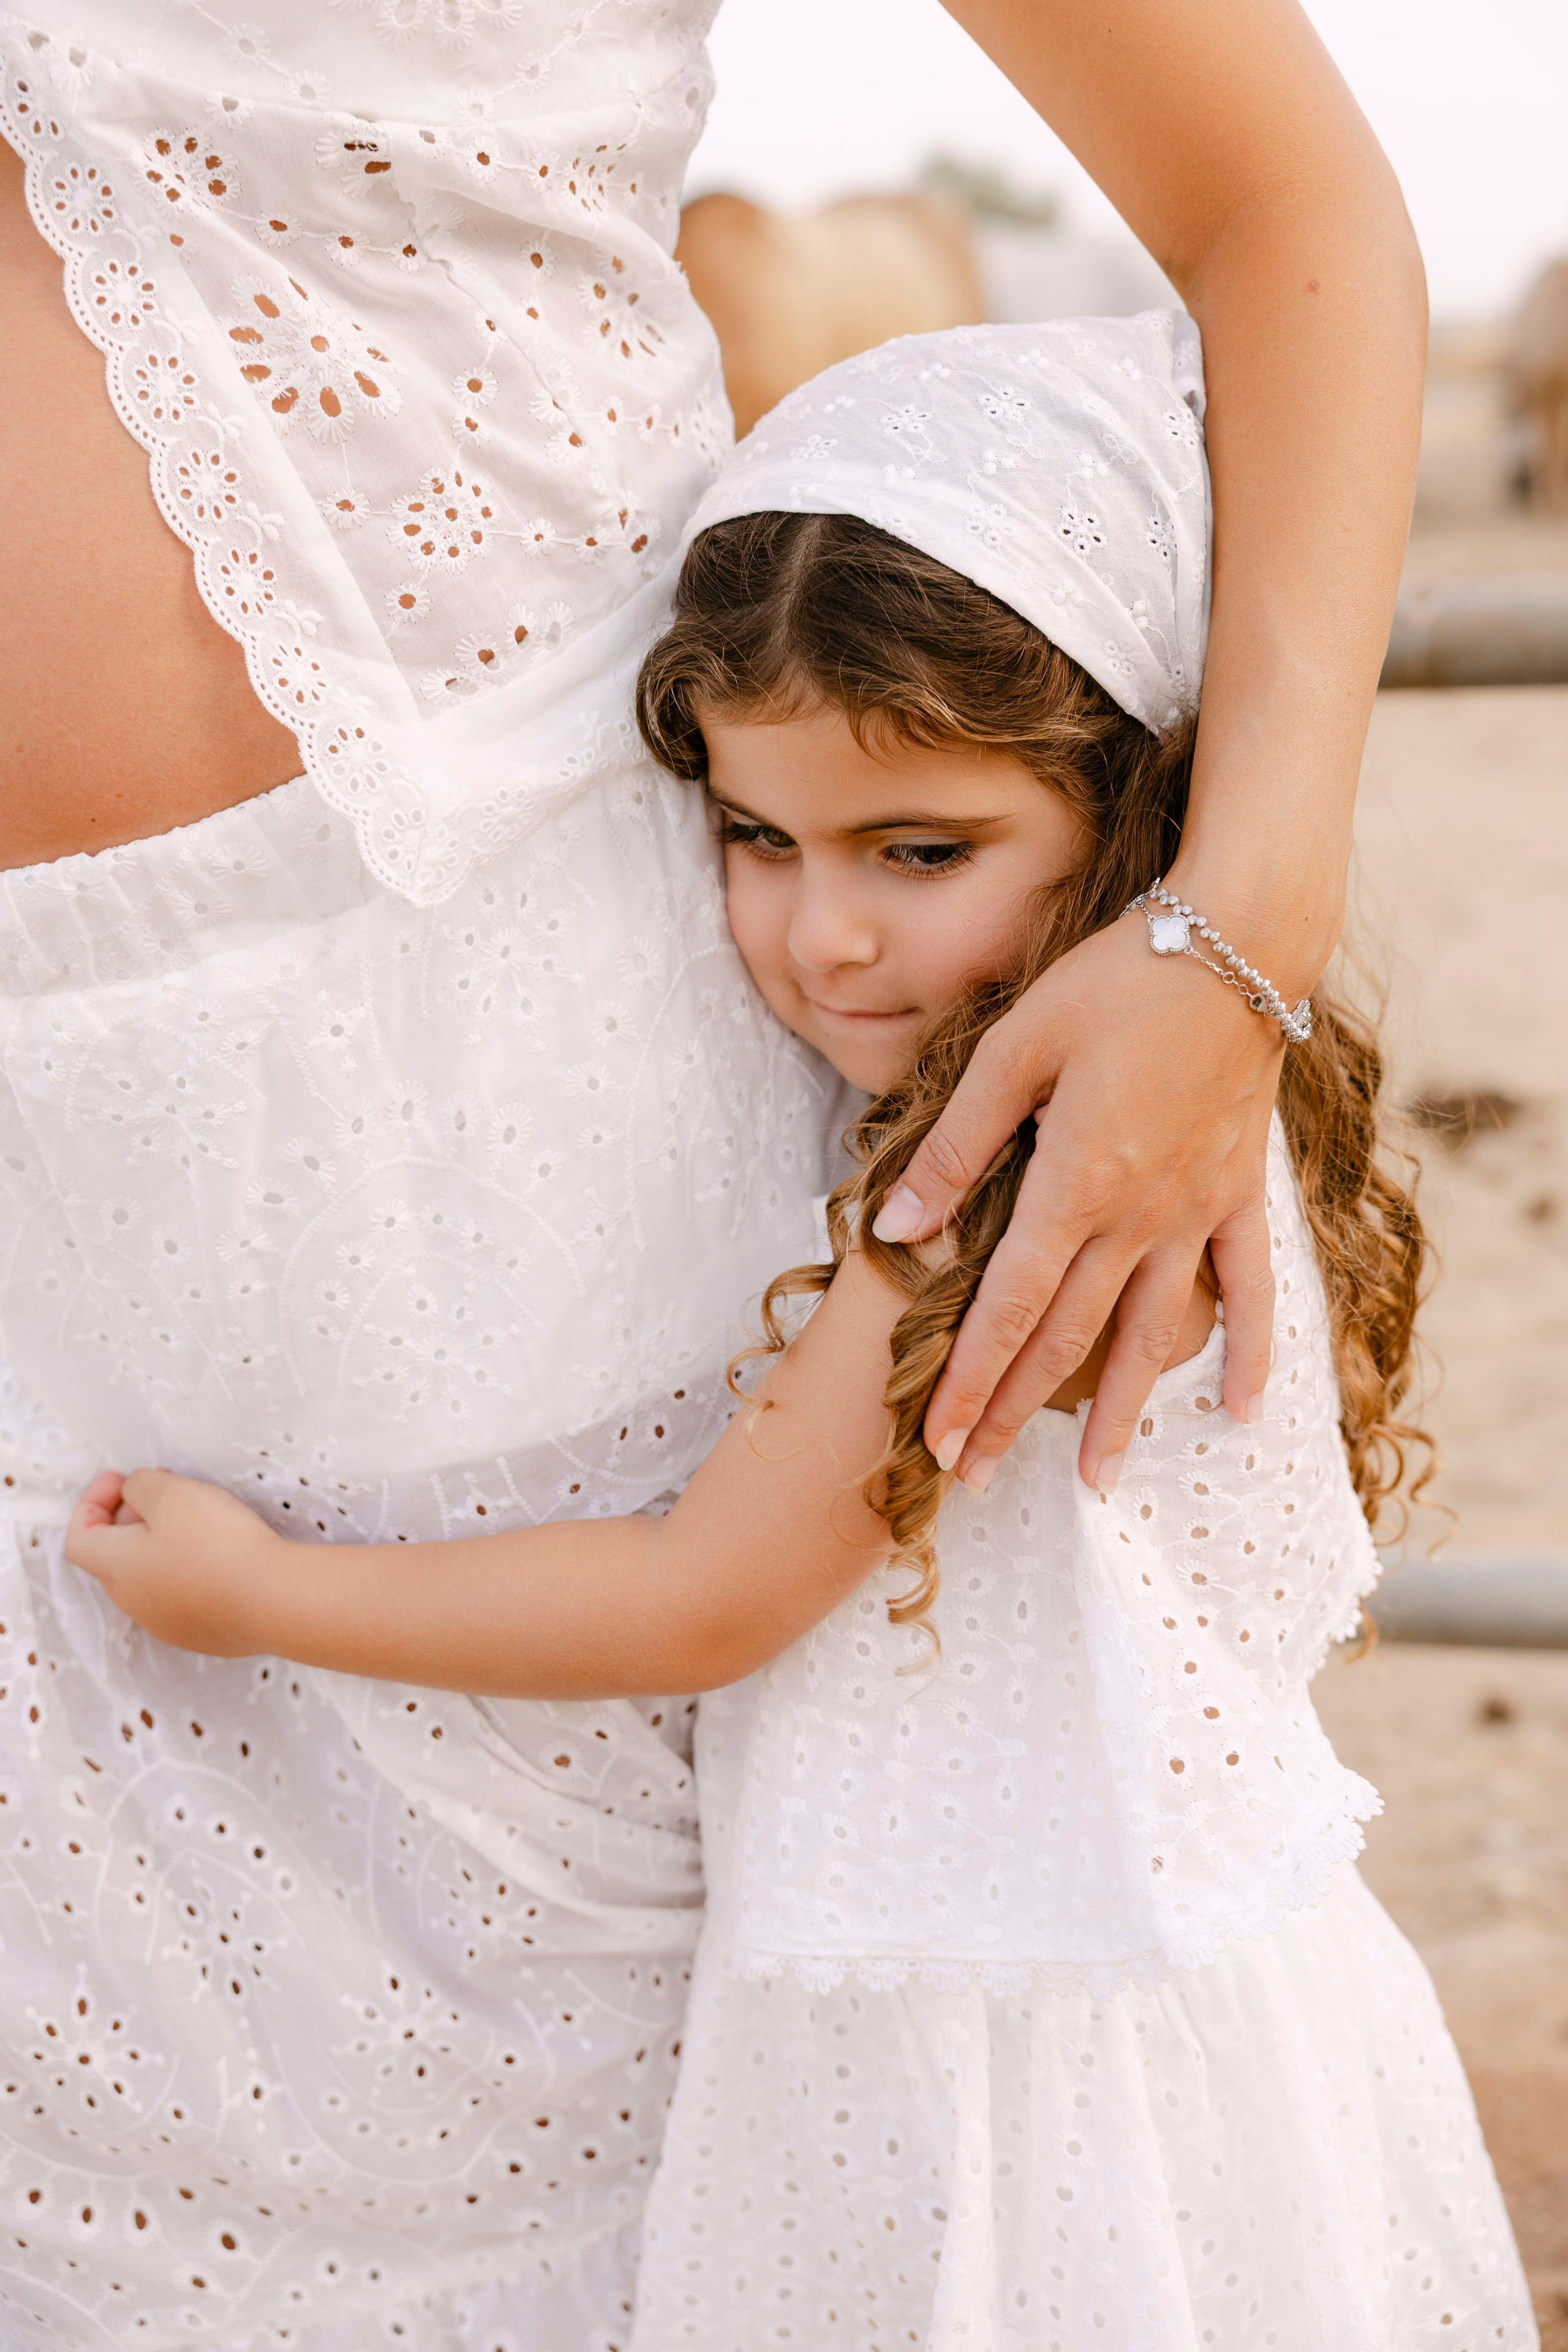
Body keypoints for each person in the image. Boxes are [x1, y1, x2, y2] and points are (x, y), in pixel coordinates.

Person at [2, 1, 1425, 2342]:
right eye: (767, 833)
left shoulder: (941, 1181)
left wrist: (1229, 938)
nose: (829, 912)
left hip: (506, 1145)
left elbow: (695, 1591)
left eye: (914, 842)